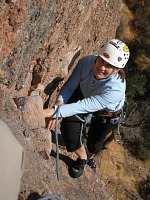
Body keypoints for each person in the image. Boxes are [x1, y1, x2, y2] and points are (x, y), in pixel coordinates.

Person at [44, 39, 130, 178]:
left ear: (117, 70)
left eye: (109, 65)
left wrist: (50, 112)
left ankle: (90, 156)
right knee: (68, 130)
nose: (102, 67)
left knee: (94, 143)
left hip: (107, 113)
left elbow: (84, 106)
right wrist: (59, 104)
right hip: (85, 93)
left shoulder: (115, 90)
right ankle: (83, 158)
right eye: (101, 60)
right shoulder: (87, 62)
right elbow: (71, 86)